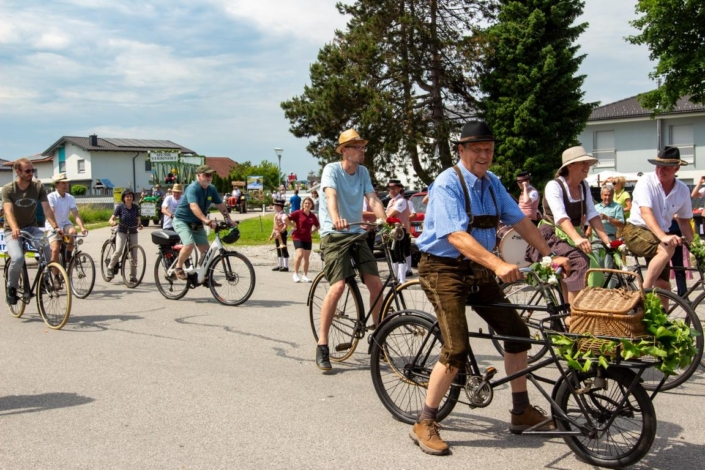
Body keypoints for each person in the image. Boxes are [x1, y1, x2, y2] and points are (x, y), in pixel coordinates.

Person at [411, 121, 570, 455]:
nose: (485, 156)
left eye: (489, 150)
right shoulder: (447, 183)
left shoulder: (492, 182)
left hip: (479, 267)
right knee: (456, 348)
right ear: (461, 150)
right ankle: (425, 421)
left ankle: (520, 411)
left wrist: (549, 254)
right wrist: (497, 264)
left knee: (518, 333)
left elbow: (521, 221)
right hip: (443, 268)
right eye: (477, 150)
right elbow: (456, 235)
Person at [316, 128, 387, 371]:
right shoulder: (332, 170)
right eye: (357, 147)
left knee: (376, 284)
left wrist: (385, 222)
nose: (362, 150)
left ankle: (379, 338)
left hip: (356, 232)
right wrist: (336, 218)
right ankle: (322, 344)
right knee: (338, 286)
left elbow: (373, 199)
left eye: (362, 147)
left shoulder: (363, 172)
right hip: (334, 233)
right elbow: (331, 196)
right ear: (344, 151)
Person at [526, 146, 612, 304]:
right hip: (551, 235)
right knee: (579, 262)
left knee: (595, 264)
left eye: (588, 163)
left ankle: (574, 307)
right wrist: (577, 239)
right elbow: (561, 217)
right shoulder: (554, 186)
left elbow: (592, 214)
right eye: (583, 163)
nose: (587, 166)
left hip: (571, 235)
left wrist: (607, 241)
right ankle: (574, 314)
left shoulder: (583, 186)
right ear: (570, 165)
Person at [623, 146, 693, 296]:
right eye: (658, 166)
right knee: (666, 248)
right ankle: (641, 295)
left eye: (666, 167)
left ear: (676, 168)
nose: (661, 170)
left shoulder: (683, 189)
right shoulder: (646, 181)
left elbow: (684, 221)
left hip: (660, 236)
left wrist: (694, 245)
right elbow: (646, 213)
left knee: (663, 286)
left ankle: (662, 312)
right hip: (636, 230)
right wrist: (663, 236)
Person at [3, 158, 60, 305]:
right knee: (18, 258)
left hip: (31, 228)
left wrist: (55, 226)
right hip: (12, 230)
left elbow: (47, 209)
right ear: (18, 172)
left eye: (32, 170)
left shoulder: (38, 187)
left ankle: (44, 280)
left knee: (46, 246)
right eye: (28, 171)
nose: (31, 173)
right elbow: (8, 211)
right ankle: (11, 287)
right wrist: (15, 228)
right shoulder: (8, 189)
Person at [172, 165, 235, 281]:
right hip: (182, 221)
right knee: (189, 245)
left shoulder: (211, 189)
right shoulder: (192, 188)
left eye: (211, 175)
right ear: (198, 176)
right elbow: (193, 206)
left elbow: (220, 205)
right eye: (206, 175)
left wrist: (228, 219)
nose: (209, 177)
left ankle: (204, 276)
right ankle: (178, 267)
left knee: (207, 251)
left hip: (196, 223)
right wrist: (206, 220)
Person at [47, 173, 88, 269]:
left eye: (66, 183)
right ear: (56, 184)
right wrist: (56, 227)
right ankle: (56, 275)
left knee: (73, 232)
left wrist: (82, 227)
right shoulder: (51, 197)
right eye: (63, 183)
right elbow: (51, 213)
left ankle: (68, 254)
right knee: (55, 250)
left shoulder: (70, 198)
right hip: (52, 225)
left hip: (65, 223)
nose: (66, 185)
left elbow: (75, 214)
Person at [107, 189, 142, 282]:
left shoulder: (135, 207)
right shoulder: (120, 207)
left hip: (133, 231)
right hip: (122, 231)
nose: (129, 198)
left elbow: (138, 218)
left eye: (131, 196)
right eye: (127, 196)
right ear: (124, 198)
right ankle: (110, 268)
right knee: (119, 251)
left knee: (134, 254)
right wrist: (112, 222)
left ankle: (133, 276)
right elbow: (111, 219)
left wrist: (139, 224)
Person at [385, 179, 412, 283]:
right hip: (392, 230)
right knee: (393, 255)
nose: (391, 190)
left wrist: (383, 215)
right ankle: (395, 278)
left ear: (399, 189)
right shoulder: (391, 201)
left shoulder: (401, 201)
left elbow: (389, 215)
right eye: (390, 188)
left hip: (400, 231)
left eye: (393, 188)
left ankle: (402, 280)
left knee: (399, 254)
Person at [289, 196, 319, 282]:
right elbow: (286, 218)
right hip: (297, 237)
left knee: (306, 257)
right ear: (303, 204)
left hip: (307, 238)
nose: (307, 205)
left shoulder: (312, 216)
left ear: (311, 205)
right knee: (299, 255)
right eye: (305, 203)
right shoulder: (298, 213)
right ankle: (295, 274)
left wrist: (313, 231)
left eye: (309, 203)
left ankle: (305, 275)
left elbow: (318, 225)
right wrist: (292, 225)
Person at [270, 198, 290, 272]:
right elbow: (275, 226)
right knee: (278, 248)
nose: (274, 207)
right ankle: (279, 265)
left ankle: (286, 266)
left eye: (275, 206)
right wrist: (272, 234)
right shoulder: (276, 214)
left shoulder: (283, 215)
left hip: (282, 233)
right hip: (277, 233)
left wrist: (281, 231)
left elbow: (286, 225)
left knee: (283, 248)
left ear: (279, 206)